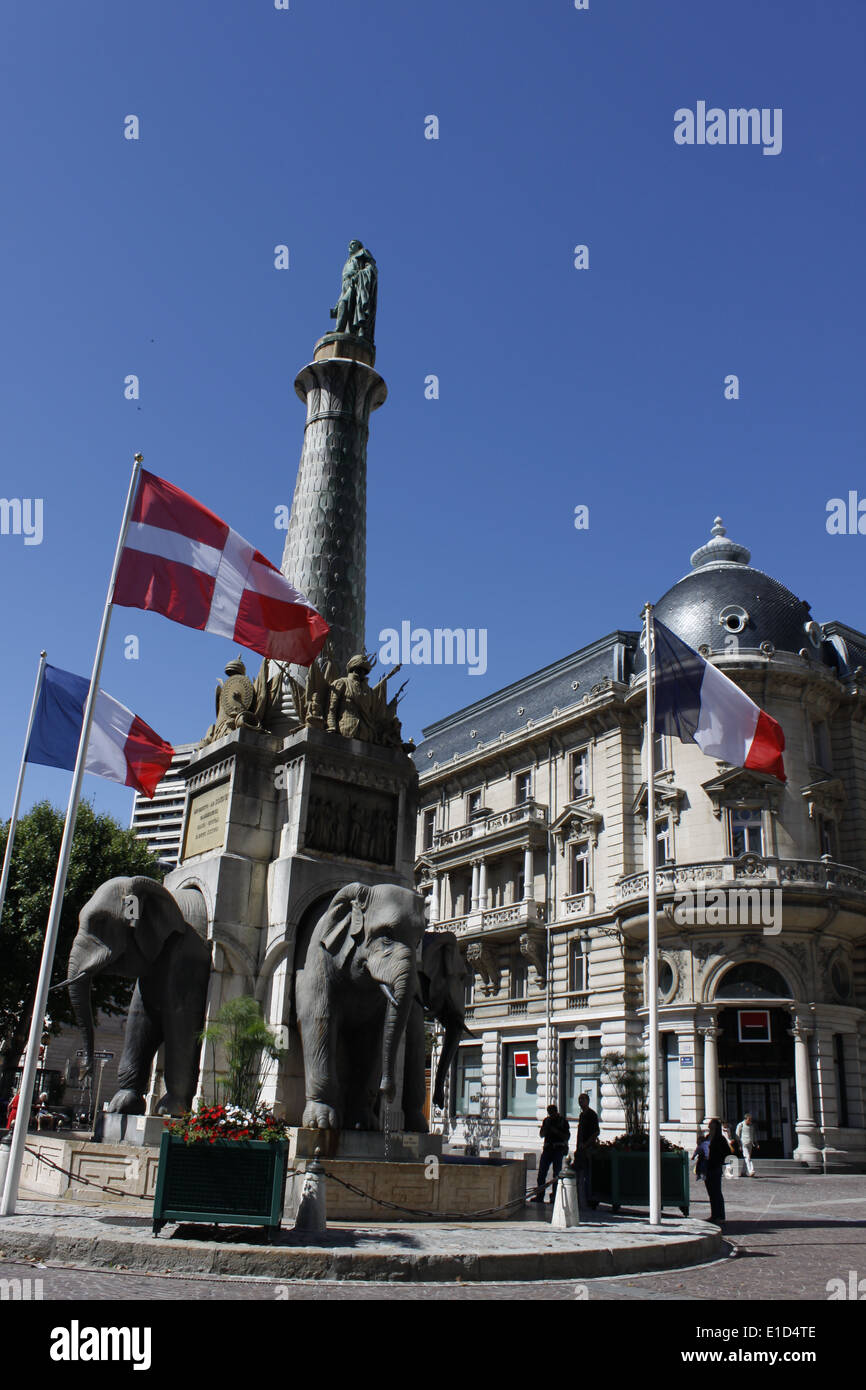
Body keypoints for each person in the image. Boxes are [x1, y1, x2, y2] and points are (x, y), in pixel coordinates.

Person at [694, 1118, 732, 1227]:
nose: (709, 1126)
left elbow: (727, 1153)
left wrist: (719, 1159)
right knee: (711, 1192)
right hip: (707, 1167)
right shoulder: (707, 1137)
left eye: (711, 1124)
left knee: (717, 1191)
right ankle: (714, 1215)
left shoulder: (720, 1139)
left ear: (716, 1126)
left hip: (715, 1167)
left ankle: (721, 1216)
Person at [534, 1105, 571, 1204]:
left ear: (556, 1112)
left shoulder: (563, 1121)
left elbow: (567, 1136)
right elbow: (541, 1134)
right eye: (549, 1113)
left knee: (556, 1175)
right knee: (541, 1174)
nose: (551, 1115)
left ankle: (554, 1196)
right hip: (547, 1149)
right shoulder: (547, 1121)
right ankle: (540, 1195)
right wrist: (546, 1129)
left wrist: (556, 1131)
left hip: (557, 1150)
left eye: (552, 1112)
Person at [572, 1092, 600, 1208]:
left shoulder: (592, 1115)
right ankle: (581, 1198)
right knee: (579, 1174)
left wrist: (586, 1144)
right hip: (580, 1149)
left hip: (588, 1149)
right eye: (579, 1099)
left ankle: (590, 1198)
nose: (580, 1101)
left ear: (588, 1101)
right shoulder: (582, 1115)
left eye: (583, 1099)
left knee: (587, 1175)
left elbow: (595, 1132)